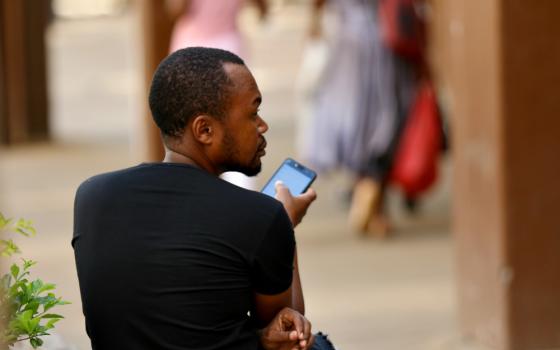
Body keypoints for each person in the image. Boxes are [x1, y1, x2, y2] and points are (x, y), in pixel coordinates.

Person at [72, 47, 334, 349]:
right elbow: (288, 335)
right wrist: (284, 225)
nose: (263, 126)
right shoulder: (261, 216)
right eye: (253, 113)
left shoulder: (92, 196)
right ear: (205, 130)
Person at [300, 0, 418, 238]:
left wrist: (313, 22)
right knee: (383, 120)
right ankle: (373, 196)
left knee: (362, 121)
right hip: (382, 43)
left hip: (359, 43)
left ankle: (365, 188)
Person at [166, 0, 269, 190]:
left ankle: (198, 186)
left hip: (193, 46)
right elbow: (262, 8)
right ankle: (240, 189)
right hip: (228, 47)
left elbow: (176, 9)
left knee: (189, 124)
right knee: (234, 121)